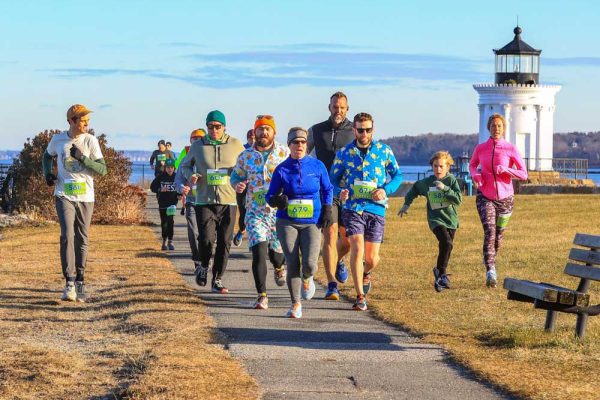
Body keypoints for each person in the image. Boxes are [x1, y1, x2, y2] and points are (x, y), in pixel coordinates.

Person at [330, 112, 402, 311]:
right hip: (353, 207)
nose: (364, 133)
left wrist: (385, 189)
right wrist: (340, 191)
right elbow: (332, 179)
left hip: (376, 208)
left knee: (371, 259)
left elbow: (398, 175)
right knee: (357, 247)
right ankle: (360, 296)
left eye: (368, 130)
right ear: (354, 130)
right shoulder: (344, 153)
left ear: (373, 129)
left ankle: (365, 272)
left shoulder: (383, 151)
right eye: (360, 130)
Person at [42, 104, 108, 302]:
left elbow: (102, 170)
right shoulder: (58, 140)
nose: (86, 124)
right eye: (82, 121)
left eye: (88, 121)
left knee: (82, 237)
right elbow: (46, 156)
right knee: (67, 236)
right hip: (63, 194)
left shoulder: (90, 140)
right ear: (71, 121)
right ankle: (69, 282)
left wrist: (83, 158)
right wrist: (48, 174)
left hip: (86, 196)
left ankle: (80, 280)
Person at [267, 127, 333, 318]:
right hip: (287, 221)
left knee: (310, 264)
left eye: (303, 142)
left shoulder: (317, 166)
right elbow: (270, 195)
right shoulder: (282, 169)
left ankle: (308, 277)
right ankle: (295, 303)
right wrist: (277, 200)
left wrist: (327, 209)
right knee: (292, 261)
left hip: (312, 221)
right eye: (295, 142)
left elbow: (328, 189)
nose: (300, 145)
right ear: (289, 145)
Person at [180, 110, 244, 294]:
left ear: (224, 127)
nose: (214, 130)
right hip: (204, 200)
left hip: (228, 201)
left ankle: (218, 278)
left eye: (218, 126)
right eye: (210, 126)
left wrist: (240, 178)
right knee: (207, 239)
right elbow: (185, 165)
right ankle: (203, 266)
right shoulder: (198, 146)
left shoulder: (235, 144)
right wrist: (190, 175)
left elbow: (244, 166)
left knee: (225, 242)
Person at [231, 116, 289, 309]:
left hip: (278, 213)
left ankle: (279, 267)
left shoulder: (284, 152)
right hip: (255, 212)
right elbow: (235, 176)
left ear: (274, 132)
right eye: (260, 129)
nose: (264, 132)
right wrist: (237, 185)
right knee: (259, 251)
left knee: (276, 254)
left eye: (267, 129)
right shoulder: (245, 156)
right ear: (254, 132)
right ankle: (262, 295)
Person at [469, 113, 528, 288]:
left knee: (498, 236)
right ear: (488, 128)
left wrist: (507, 170)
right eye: (493, 126)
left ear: (504, 129)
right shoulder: (481, 148)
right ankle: (491, 271)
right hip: (485, 196)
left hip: (506, 198)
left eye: (499, 126)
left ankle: (491, 258)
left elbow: (524, 174)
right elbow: (472, 165)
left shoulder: (511, 149)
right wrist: (476, 175)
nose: (496, 129)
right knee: (489, 231)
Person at [307, 91, 355, 300]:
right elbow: (303, 155)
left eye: (342, 107)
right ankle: (332, 285)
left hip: (349, 193)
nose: (338, 111)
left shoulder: (354, 131)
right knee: (330, 235)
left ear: (347, 109)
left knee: (347, 242)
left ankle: (339, 260)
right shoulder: (316, 130)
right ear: (329, 108)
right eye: (335, 107)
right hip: (325, 192)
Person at [398, 151, 462, 292]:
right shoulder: (427, 183)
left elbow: (458, 199)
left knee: (447, 246)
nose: (438, 169)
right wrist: (406, 204)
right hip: (435, 219)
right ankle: (442, 275)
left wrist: (445, 189)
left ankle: (439, 272)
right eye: (435, 166)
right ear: (432, 167)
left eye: (441, 166)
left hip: (450, 220)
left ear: (448, 168)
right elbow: (414, 189)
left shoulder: (451, 181)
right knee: (446, 242)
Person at [233, 129, 256, 247]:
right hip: (242, 187)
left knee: (255, 213)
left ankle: (255, 241)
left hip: (257, 189)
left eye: (254, 138)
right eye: (250, 138)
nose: (252, 140)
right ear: (247, 139)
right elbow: (235, 167)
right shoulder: (241, 150)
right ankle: (241, 231)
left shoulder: (261, 150)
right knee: (243, 212)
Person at [151, 158, 180, 250]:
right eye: (168, 167)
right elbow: (152, 187)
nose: (170, 169)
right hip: (163, 202)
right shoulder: (160, 176)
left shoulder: (177, 177)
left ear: (174, 168)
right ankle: (164, 241)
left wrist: (180, 194)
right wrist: (160, 189)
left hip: (172, 203)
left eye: (171, 167)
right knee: (164, 223)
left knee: (170, 222)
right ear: (165, 168)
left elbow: (180, 187)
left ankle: (170, 241)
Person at [175, 129, 206, 215]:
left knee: (205, 228)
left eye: (200, 138)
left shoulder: (212, 159)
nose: (197, 140)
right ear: (190, 141)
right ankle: (184, 207)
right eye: (194, 138)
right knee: (193, 228)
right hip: (191, 200)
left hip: (207, 202)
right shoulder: (185, 158)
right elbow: (178, 179)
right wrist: (182, 188)